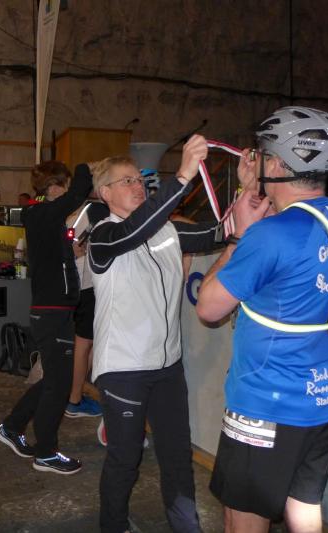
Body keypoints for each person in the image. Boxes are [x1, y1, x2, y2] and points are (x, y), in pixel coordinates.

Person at [195, 107, 328, 533]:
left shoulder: (267, 236)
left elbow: (209, 308)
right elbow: (294, 255)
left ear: (275, 163)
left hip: (264, 407)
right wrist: (256, 196)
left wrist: (239, 234)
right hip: (322, 403)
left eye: (263, 155)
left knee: (241, 518)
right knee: (302, 508)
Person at [88, 137, 216, 533]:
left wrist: (250, 194)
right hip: (123, 369)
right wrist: (183, 176)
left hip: (167, 367)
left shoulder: (166, 233)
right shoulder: (103, 237)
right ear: (105, 193)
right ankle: (113, 526)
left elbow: (217, 232)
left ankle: (186, 526)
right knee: (125, 459)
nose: (137, 185)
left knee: (176, 455)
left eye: (139, 180)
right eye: (126, 181)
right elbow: (134, 231)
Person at [0, 160, 91, 475]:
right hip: (53, 311)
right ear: (54, 186)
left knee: (54, 379)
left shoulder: (47, 219)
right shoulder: (42, 213)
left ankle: (12, 427)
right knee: (59, 385)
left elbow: (51, 257)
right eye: (65, 185)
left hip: (55, 309)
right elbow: (79, 192)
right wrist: (86, 167)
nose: (68, 192)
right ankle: (46, 452)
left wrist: (69, 252)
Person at [64, 196, 109, 418]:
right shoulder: (95, 210)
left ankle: (75, 393)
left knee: (86, 344)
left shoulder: (81, 211)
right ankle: (74, 400)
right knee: (84, 344)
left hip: (80, 284)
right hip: (87, 285)